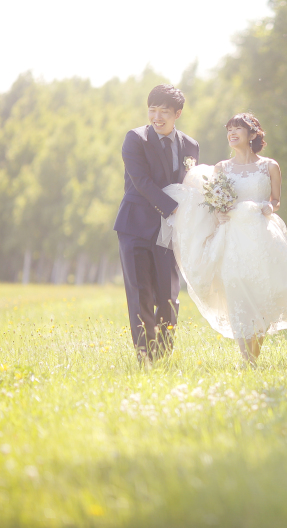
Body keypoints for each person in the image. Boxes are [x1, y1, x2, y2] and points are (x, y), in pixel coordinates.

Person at [159, 112, 287, 365]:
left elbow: (276, 200)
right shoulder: (222, 168)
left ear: (253, 134)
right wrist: (220, 212)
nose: (232, 133)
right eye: (229, 129)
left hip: (261, 234)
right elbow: (214, 200)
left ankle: (253, 358)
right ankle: (247, 359)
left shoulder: (270, 166)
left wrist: (269, 207)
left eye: (238, 129)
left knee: (262, 291)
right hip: (231, 237)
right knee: (236, 287)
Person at [113, 85, 200, 365]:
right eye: (152, 109)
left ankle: (162, 356)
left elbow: (190, 183)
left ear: (178, 113)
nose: (157, 116)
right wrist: (174, 209)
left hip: (171, 231)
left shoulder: (191, 146)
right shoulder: (135, 139)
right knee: (140, 292)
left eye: (164, 111)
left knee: (168, 295)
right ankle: (144, 357)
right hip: (135, 226)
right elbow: (142, 182)